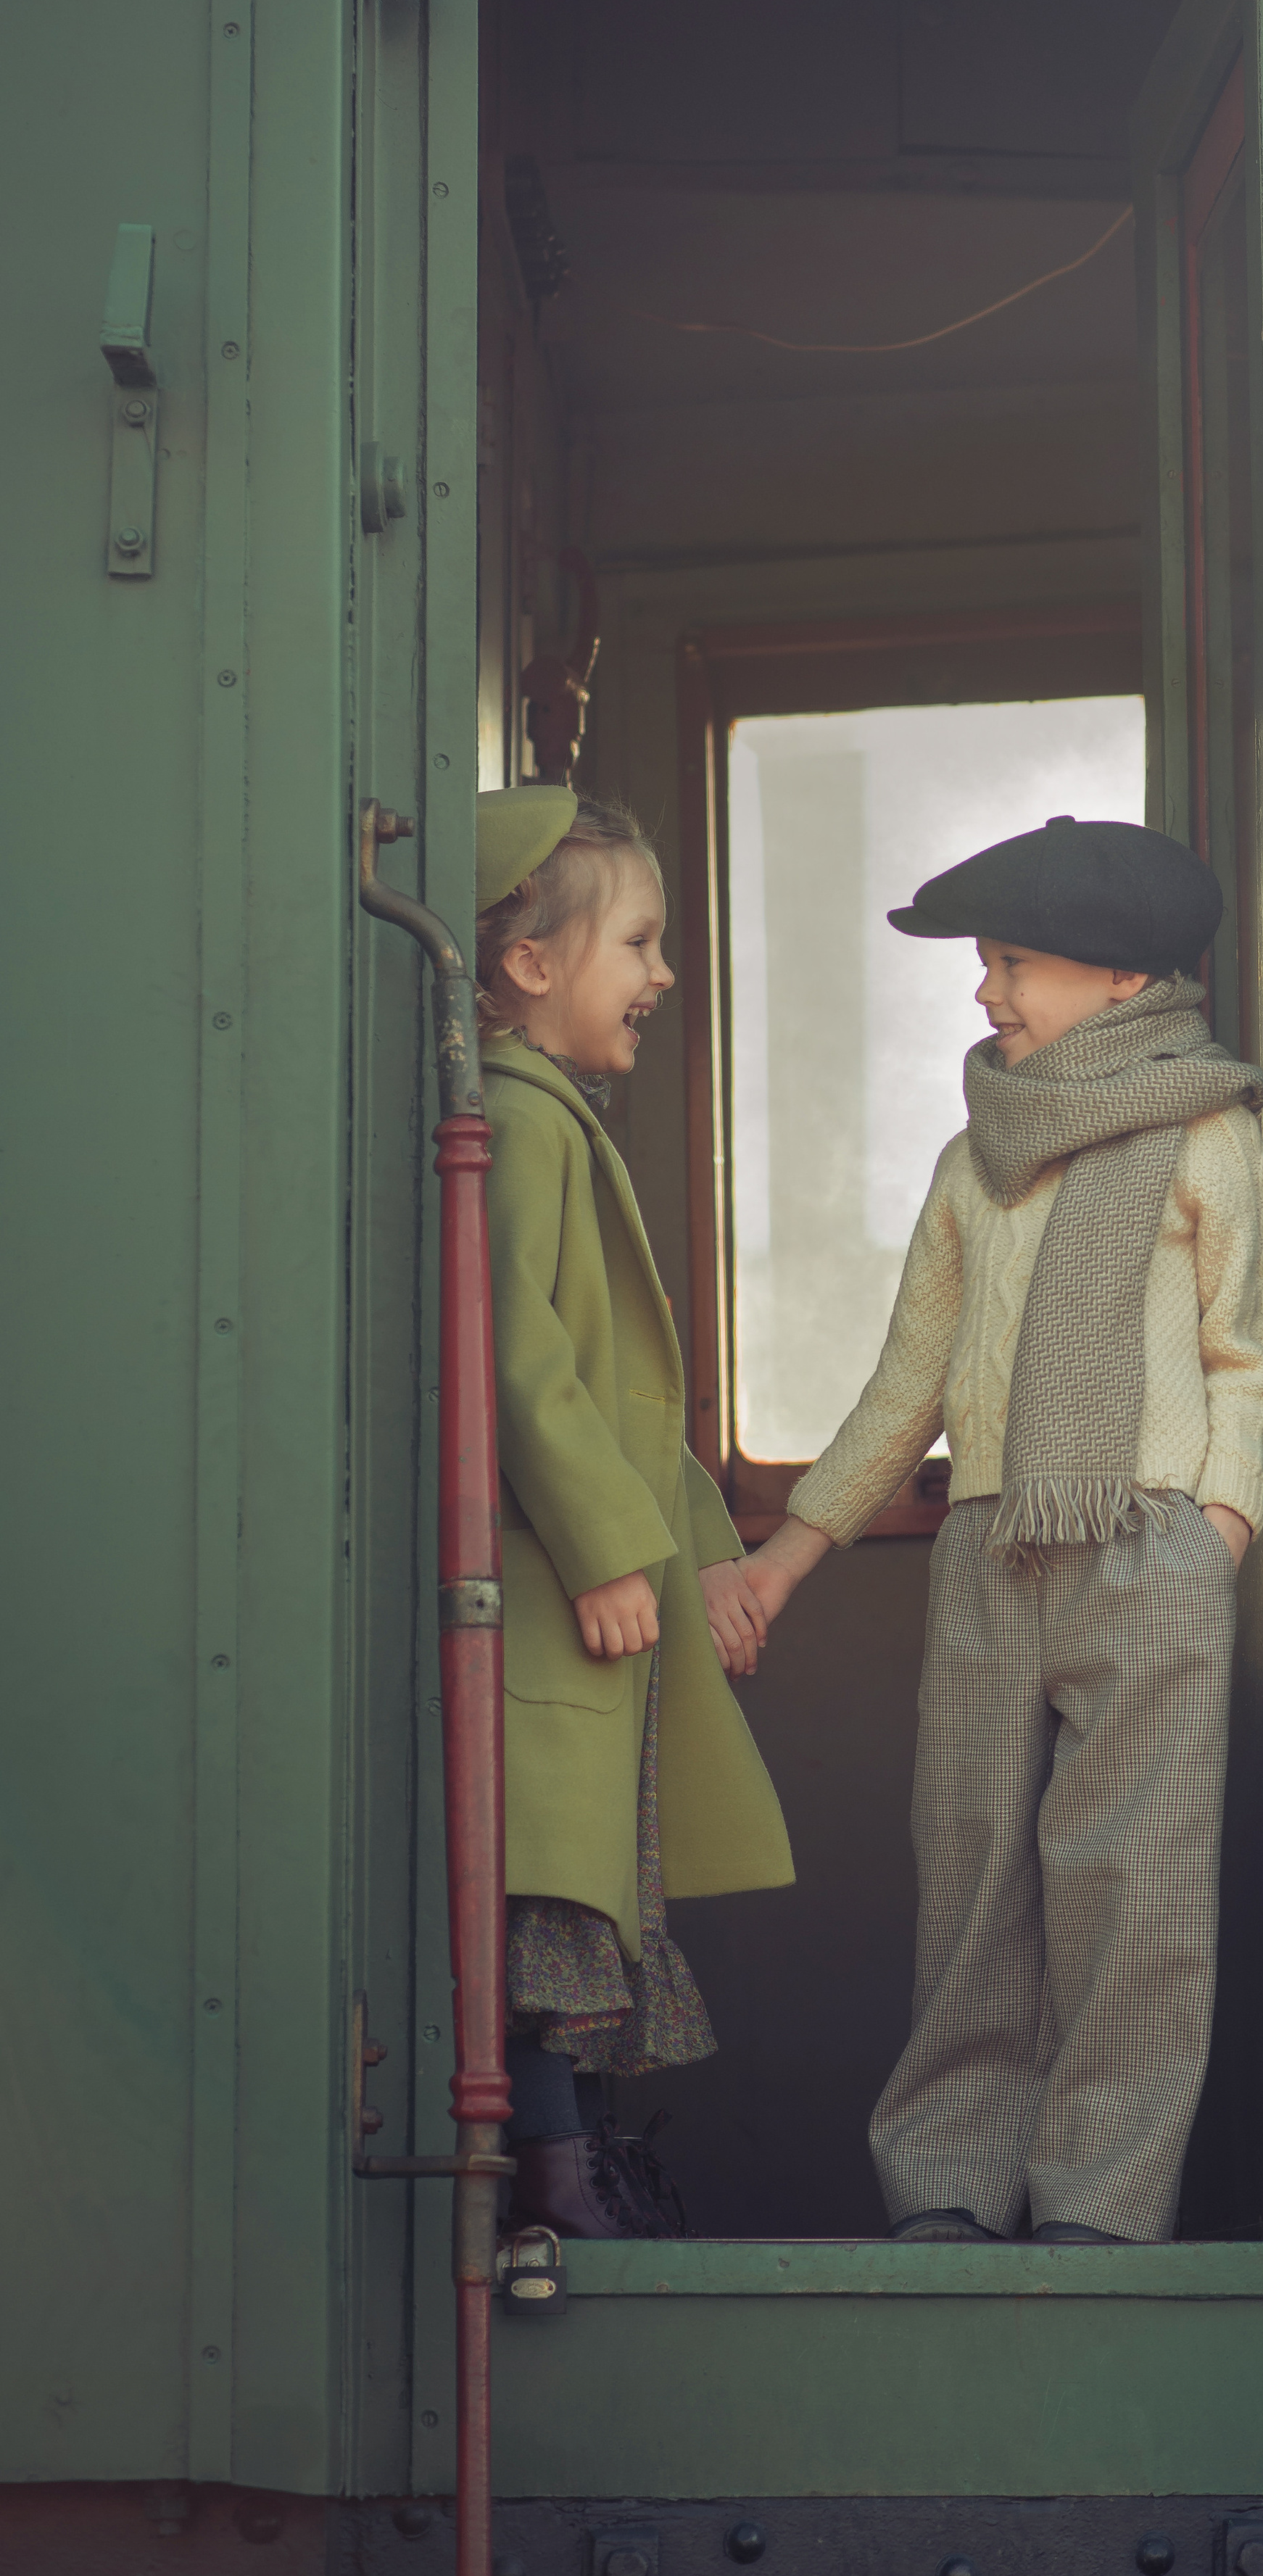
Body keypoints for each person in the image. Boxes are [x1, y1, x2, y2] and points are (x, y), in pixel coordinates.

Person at [742, 816, 1263, 2246]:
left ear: (1118, 979)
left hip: (1148, 1546)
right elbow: (907, 1383)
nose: (987, 994)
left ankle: (1100, 2206)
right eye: (986, 964)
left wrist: (1217, 1526)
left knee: (1131, 1885)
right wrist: (787, 1555)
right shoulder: (970, 1163)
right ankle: (951, 2189)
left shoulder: (1205, 1132)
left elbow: (1239, 1354)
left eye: (1014, 964)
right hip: (990, 1554)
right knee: (970, 1863)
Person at [474, 787, 792, 2237]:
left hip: (589, 1586)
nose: (663, 976)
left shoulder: (553, 1116)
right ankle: (553, 2177)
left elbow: (625, 1403)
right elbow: (516, 1353)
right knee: (549, 1897)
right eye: (641, 944)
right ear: (533, 963)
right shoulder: (518, 1120)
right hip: (552, 1593)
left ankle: (586, 2156)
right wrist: (612, 1551)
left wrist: (710, 1558)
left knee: (594, 1888)